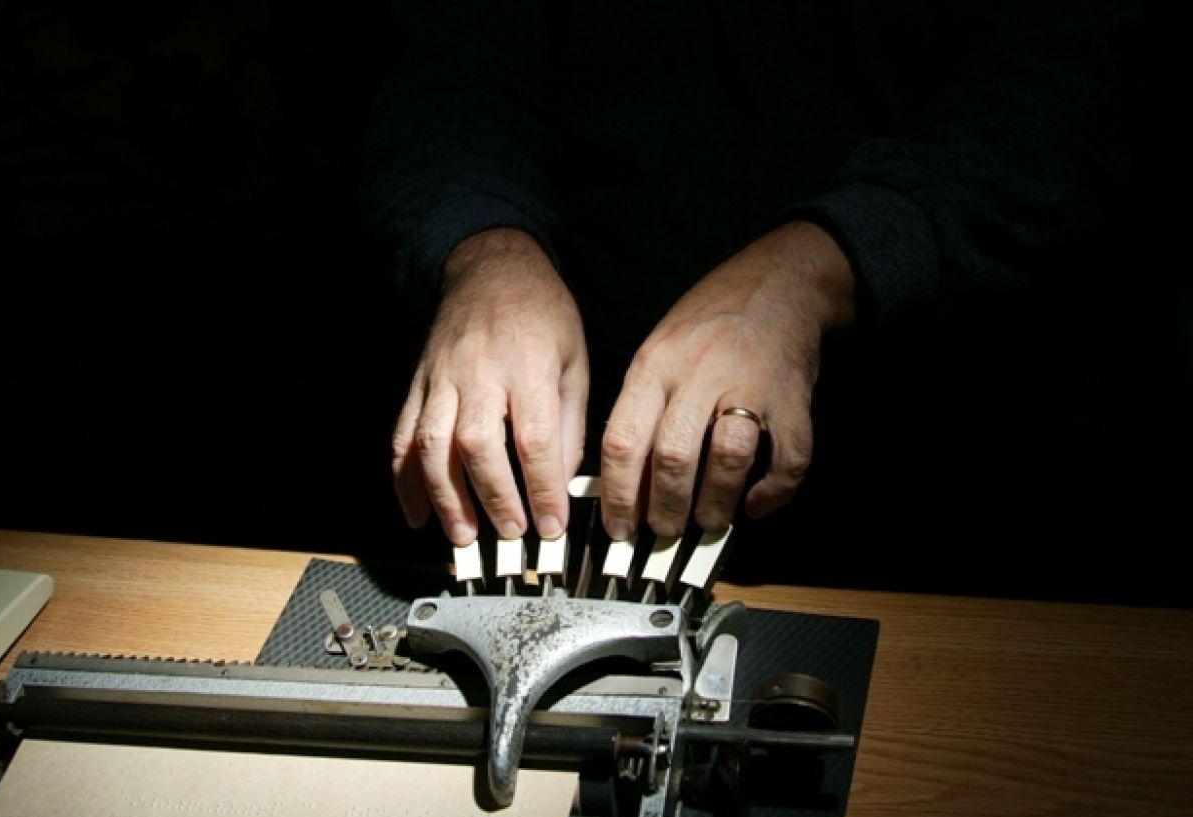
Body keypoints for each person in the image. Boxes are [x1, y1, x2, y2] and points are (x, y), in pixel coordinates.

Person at [360, 1, 1160, 595]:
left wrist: (822, 264)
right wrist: (486, 249)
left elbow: (1061, 99)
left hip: (959, 499)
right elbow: (448, 71)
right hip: (567, 505)